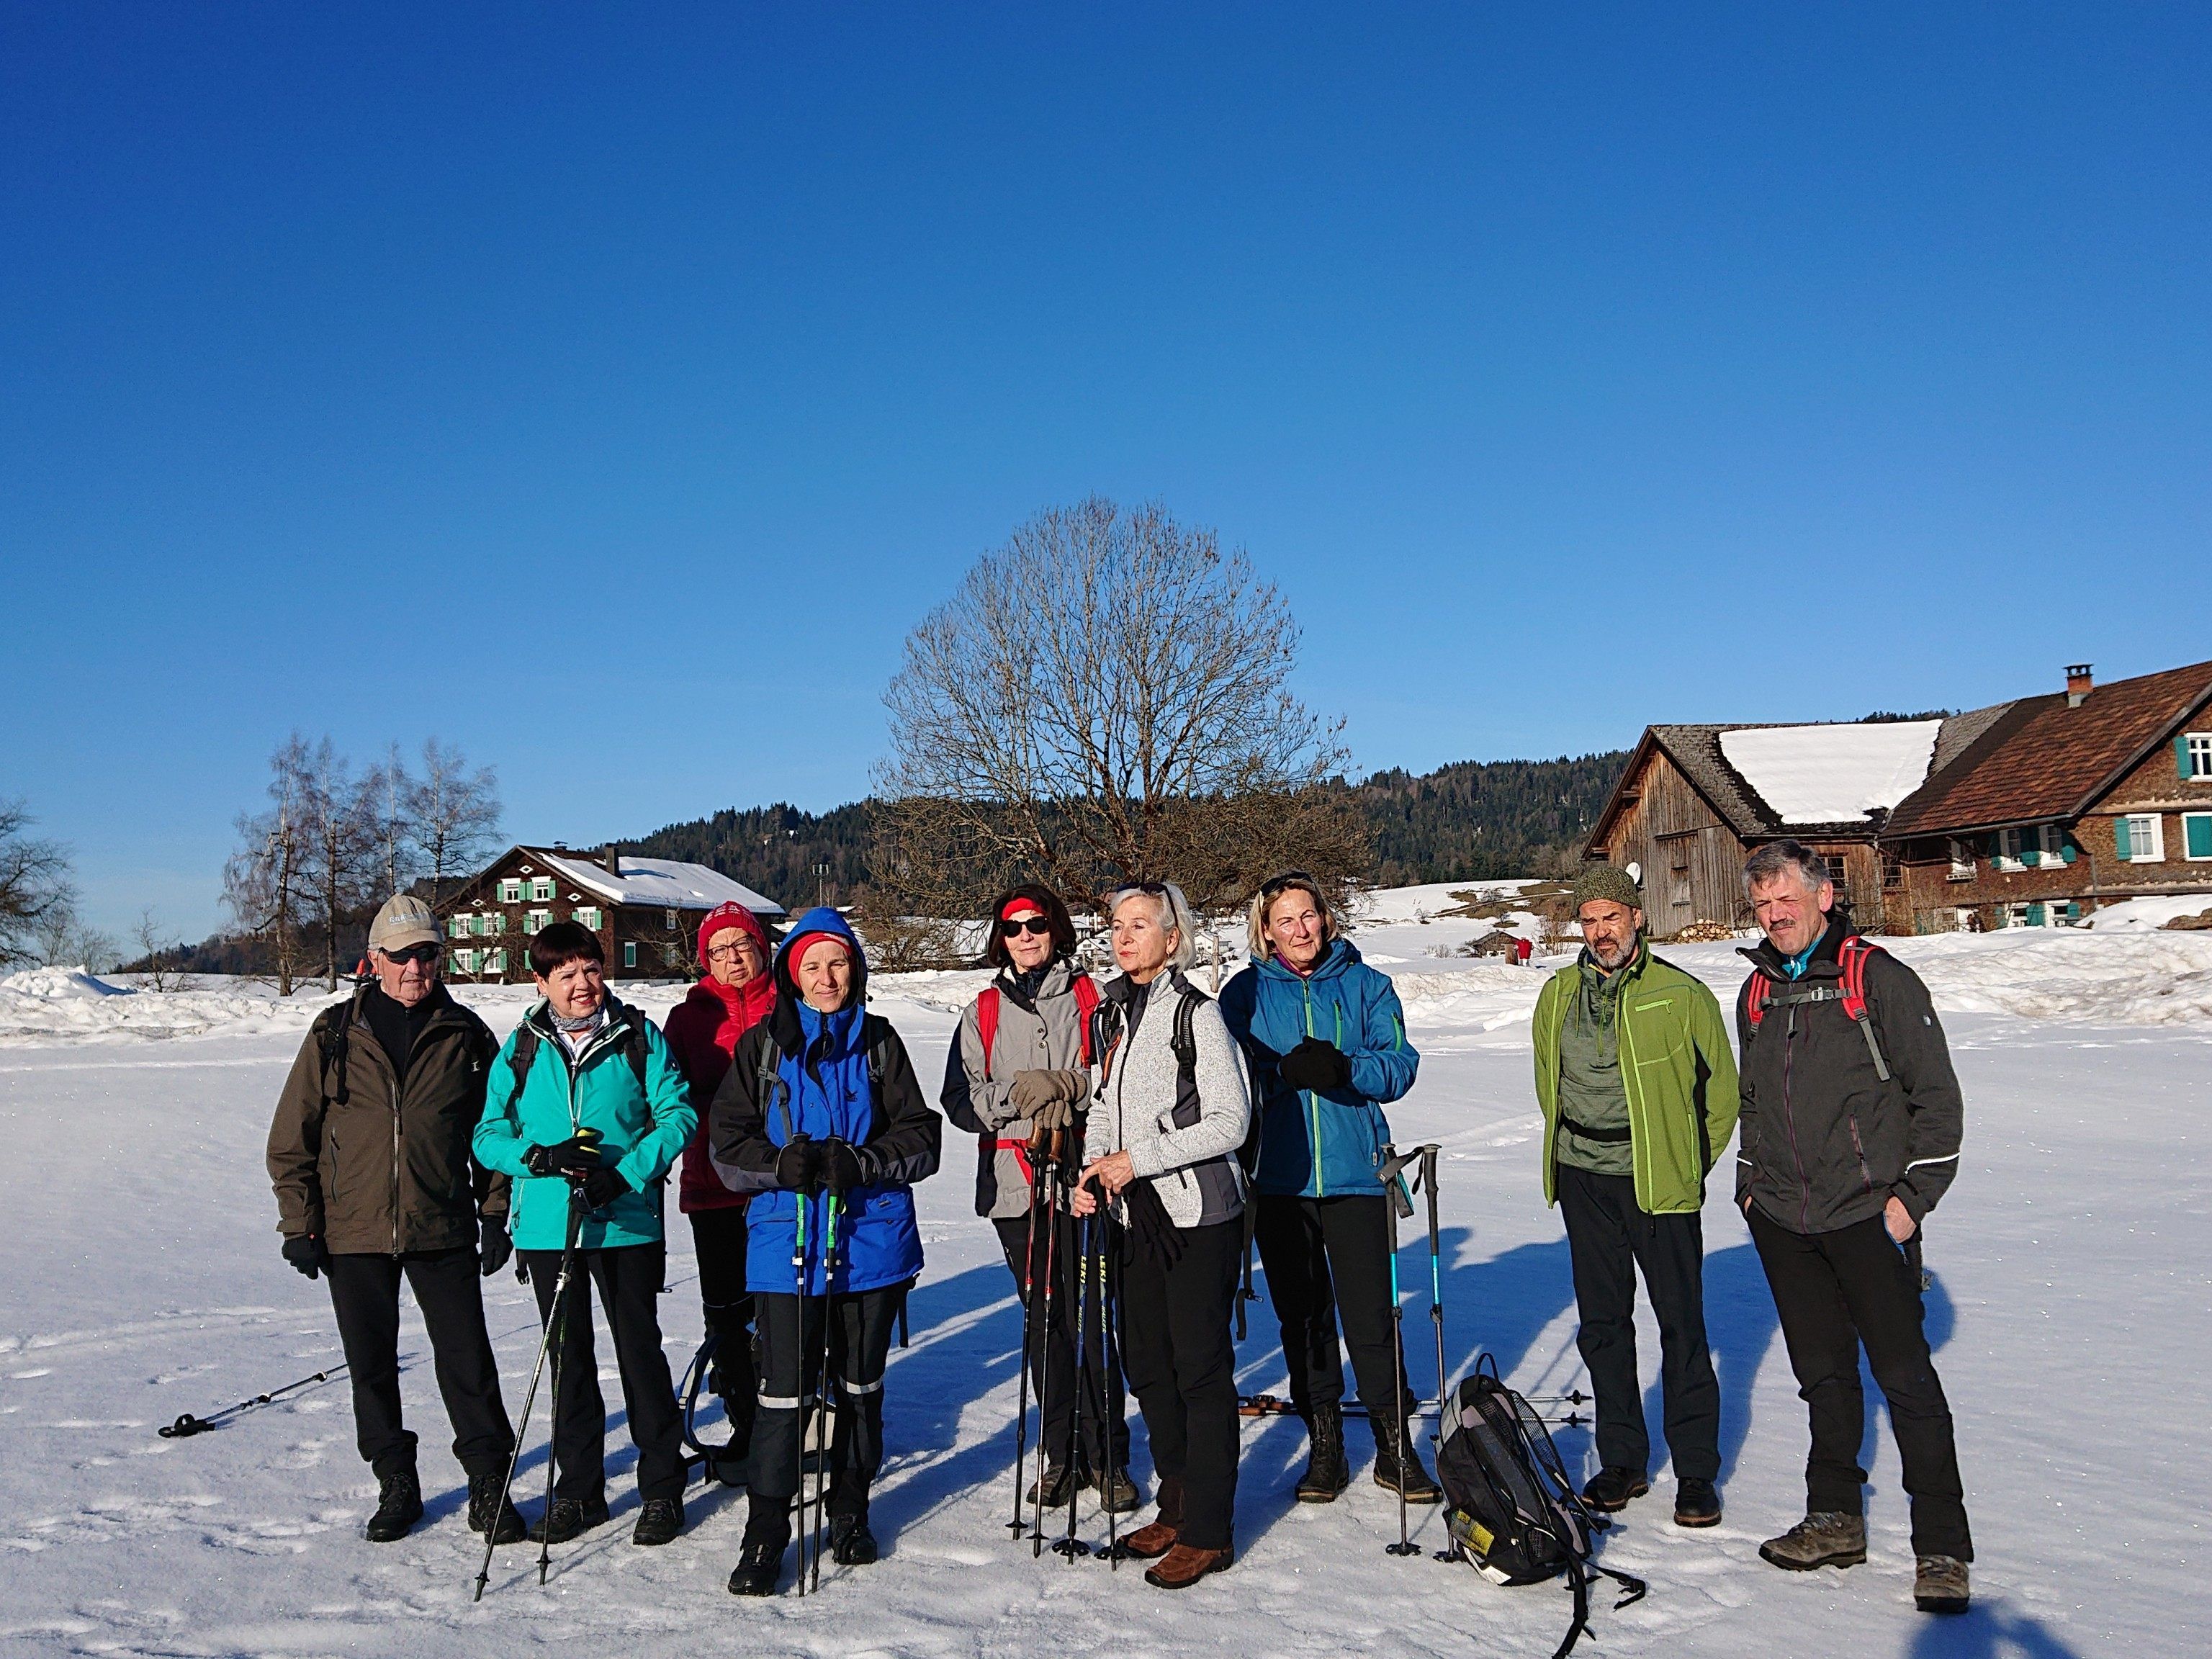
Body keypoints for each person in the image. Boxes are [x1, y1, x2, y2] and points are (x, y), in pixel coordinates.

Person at [1734, 841, 1972, 1615]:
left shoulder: (1879, 980)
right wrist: (1749, 1186)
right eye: (1763, 905)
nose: (1775, 916)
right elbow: (1751, 1102)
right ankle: (1835, 1518)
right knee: (1823, 1377)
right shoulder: (1758, 993)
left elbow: (1937, 1101)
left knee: (1906, 1380)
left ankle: (1942, 1547)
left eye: (1787, 900)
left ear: (1823, 896)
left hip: (1869, 1215)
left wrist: (1908, 1202)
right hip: (1785, 1218)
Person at [266, 894, 521, 1545]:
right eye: (403, 955)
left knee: (468, 1360)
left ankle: (489, 1482)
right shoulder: (333, 1034)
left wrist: (494, 1215)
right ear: (374, 959)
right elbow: (291, 1139)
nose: (416, 968)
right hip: (353, 1231)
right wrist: (300, 1224)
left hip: (442, 1226)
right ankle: (395, 1479)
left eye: (428, 954)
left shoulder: (466, 1037)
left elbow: (492, 1136)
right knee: (371, 1364)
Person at [709, 908, 943, 1596]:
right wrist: (781, 1166)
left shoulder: (880, 1042)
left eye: (837, 962)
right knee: (781, 1398)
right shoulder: (761, 1048)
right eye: (811, 965)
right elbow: (727, 1146)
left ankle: (849, 1512)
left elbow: (922, 1136)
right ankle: (766, 1534)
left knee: (860, 1391)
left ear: (856, 968)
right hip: (786, 1244)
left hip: (871, 1243)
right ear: (790, 974)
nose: (826, 977)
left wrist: (865, 1163)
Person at [472, 920, 697, 1549]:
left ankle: (661, 1487)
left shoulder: (637, 1037)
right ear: (540, 981)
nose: (583, 985)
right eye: (566, 974)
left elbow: (678, 1114)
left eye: (591, 970)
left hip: (625, 1223)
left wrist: (623, 1174)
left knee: (639, 1356)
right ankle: (579, 1491)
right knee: (569, 1362)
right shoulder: (521, 1046)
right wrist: (539, 1158)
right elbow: (487, 1133)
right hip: (550, 1227)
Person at [1532, 866, 1739, 1527]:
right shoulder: (1558, 994)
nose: (1600, 932)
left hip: (1658, 1183)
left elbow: (1723, 1096)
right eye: (1589, 920)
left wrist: (1686, 1162)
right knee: (1602, 1327)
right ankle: (1621, 1460)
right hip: (1583, 1179)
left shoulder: (1681, 995)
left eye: (1611, 918)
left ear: (1637, 918)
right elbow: (1548, 1082)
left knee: (1681, 1326)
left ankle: (1697, 1472)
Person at [1218, 871, 1433, 1506]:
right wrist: (1277, 1072)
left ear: (1325, 918)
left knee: (1372, 1318)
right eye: (1285, 920)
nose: (1300, 929)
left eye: (1308, 915)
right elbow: (1226, 1077)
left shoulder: (1369, 986)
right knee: (1303, 1319)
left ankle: (1397, 1448)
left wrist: (1346, 1067)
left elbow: (1400, 1066)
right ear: (1266, 930)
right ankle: (1327, 1445)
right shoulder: (1244, 994)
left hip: (1355, 1175)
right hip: (1281, 1180)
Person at [1069, 881, 1251, 1591]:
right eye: (1117, 925)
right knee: (1147, 1363)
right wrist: (1092, 1174)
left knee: (1199, 1370)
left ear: (1172, 938)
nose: (1124, 937)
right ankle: (1175, 1504)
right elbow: (1101, 1106)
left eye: (1140, 925)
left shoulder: (1197, 1017)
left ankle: (1210, 1531)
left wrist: (1134, 1161)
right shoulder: (1112, 1013)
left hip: (1197, 1218)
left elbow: (1229, 1123)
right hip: (1132, 1218)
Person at [941, 884, 1139, 1514]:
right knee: (1043, 1324)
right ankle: (1061, 1455)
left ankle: (1108, 1456)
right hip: (1015, 1186)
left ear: (1057, 930)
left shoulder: (1093, 999)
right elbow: (961, 1100)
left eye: (1036, 925)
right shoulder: (982, 1011)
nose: (1025, 936)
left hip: (1084, 1180)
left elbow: (1120, 1080)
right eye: (1013, 927)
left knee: (1092, 1321)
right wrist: (1019, 1097)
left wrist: (1068, 1086)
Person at [662, 899, 777, 1483]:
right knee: (727, 1317)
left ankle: (794, 1424)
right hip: (712, 1187)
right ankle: (743, 1423)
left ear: (763, 948)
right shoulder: (687, 1019)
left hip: (781, 1188)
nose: (734, 959)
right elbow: (663, 1099)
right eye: (719, 950)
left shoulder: (790, 1006)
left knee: (786, 1311)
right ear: (704, 959)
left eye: (743, 946)